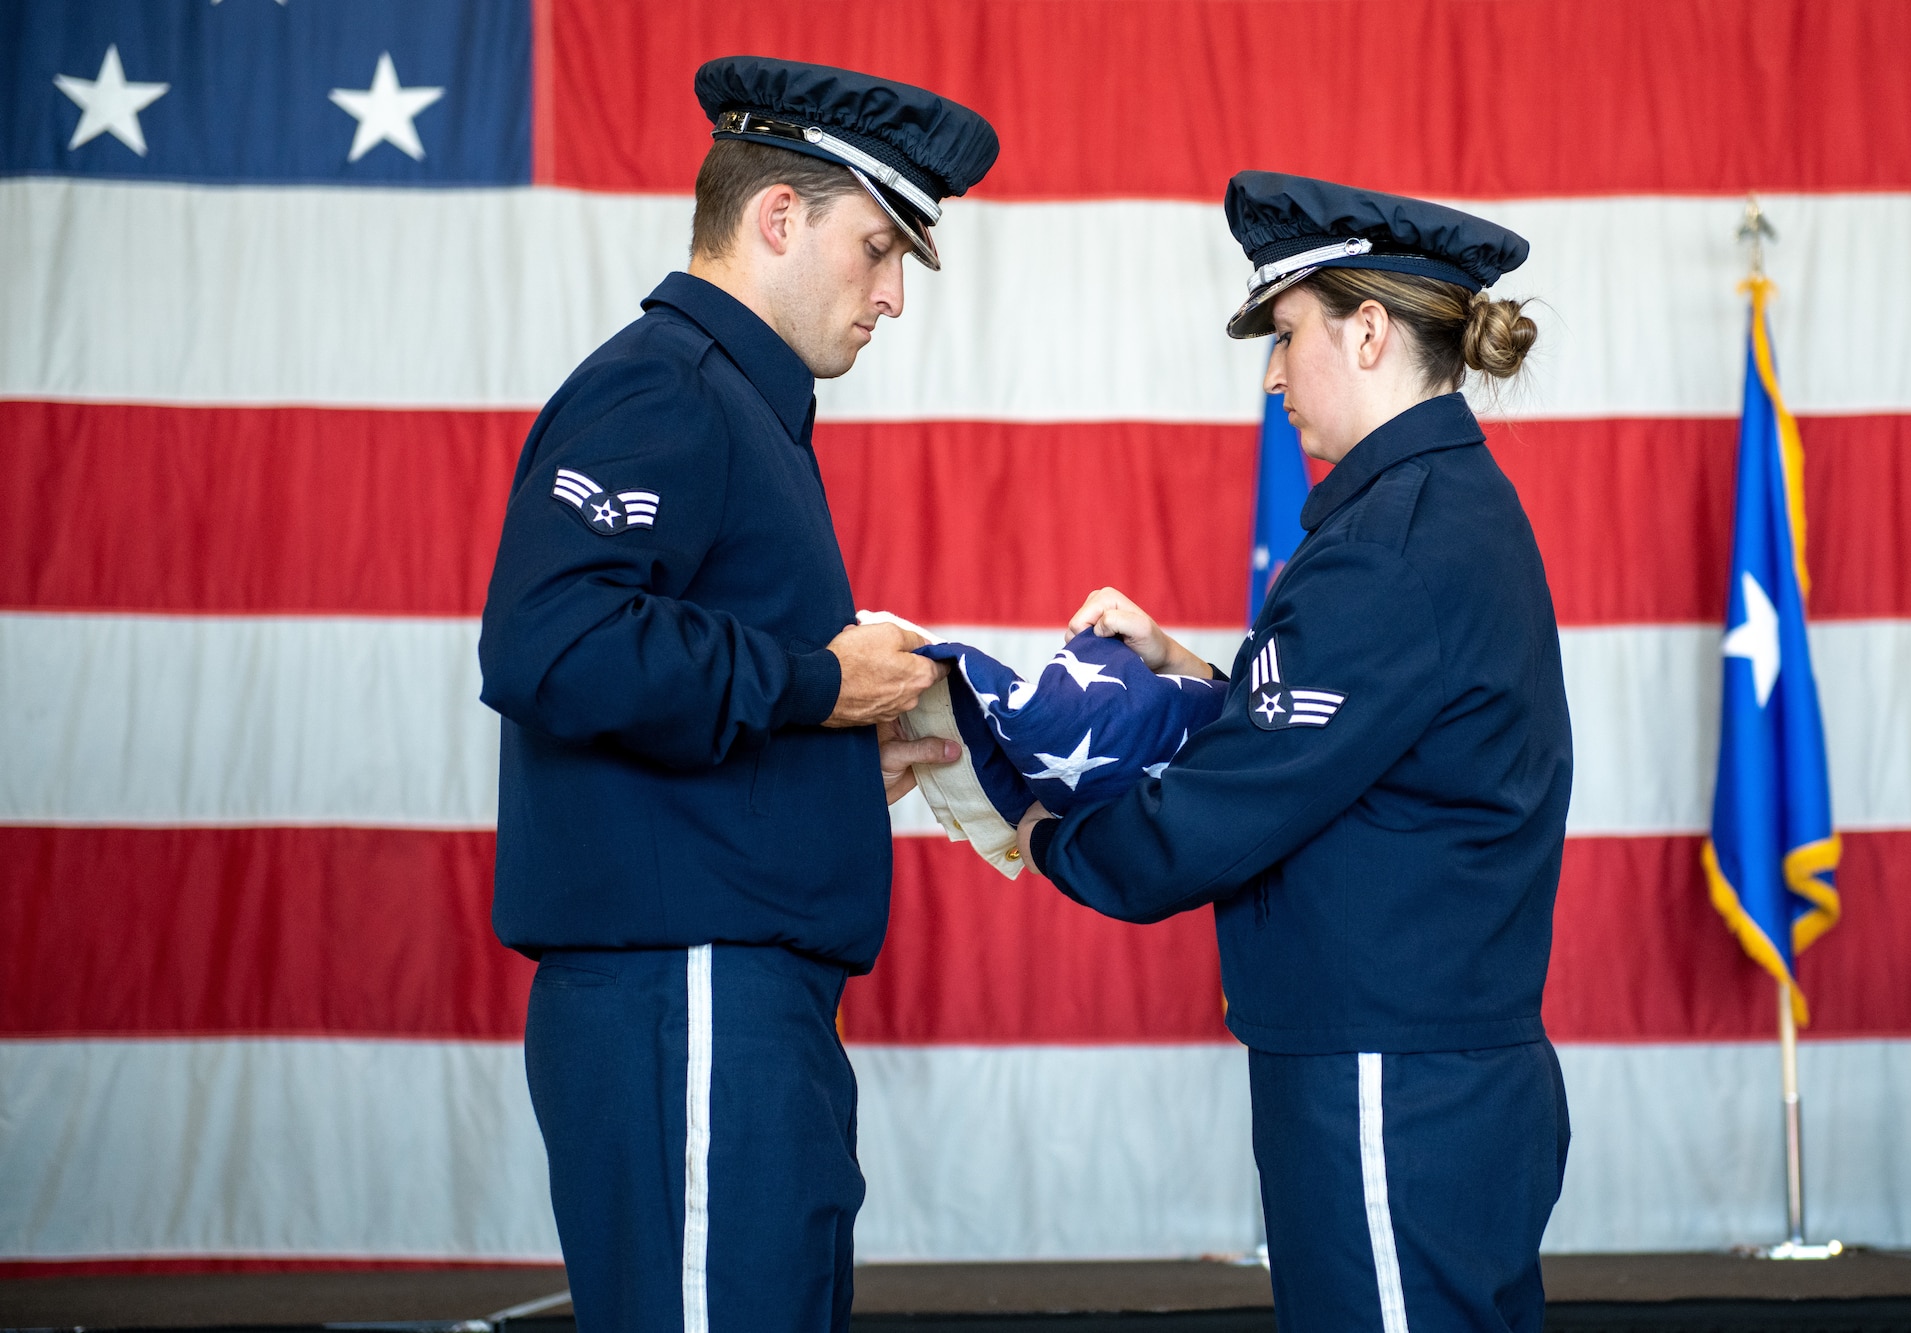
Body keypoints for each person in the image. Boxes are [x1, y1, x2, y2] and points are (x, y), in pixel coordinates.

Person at [478, 56, 997, 1332]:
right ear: (777, 218)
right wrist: (821, 683)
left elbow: (675, 672)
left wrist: (826, 748)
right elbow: (547, 643)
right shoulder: (666, 385)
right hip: (690, 990)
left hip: (733, 989)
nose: (889, 296)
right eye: (877, 249)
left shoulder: (739, 405)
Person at [1015, 172, 1574, 1333]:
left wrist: (1033, 822)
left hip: (1388, 1076)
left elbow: (1223, 815)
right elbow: (1363, 753)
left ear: (1366, 331)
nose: (1271, 376)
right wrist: (1192, 674)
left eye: (1285, 334)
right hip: (1429, 1064)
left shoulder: (1390, 546)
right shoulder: (1438, 509)